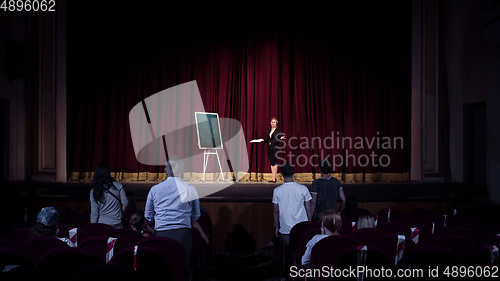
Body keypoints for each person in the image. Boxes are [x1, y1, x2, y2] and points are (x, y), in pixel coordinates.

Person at [145, 155, 201, 268]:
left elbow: (148, 216)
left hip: (161, 235)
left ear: (165, 170)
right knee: (181, 268)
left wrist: (158, 225)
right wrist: (188, 225)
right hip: (183, 234)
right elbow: (196, 215)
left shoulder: (154, 190)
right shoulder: (190, 190)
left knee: (163, 269)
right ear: (182, 171)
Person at [273, 162, 313, 246]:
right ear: (294, 172)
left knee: (288, 251)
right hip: (302, 228)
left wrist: (277, 227)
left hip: (285, 229)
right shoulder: (303, 189)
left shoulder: (277, 190)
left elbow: (276, 211)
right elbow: (308, 209)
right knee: (302, 250)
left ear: (281, 174)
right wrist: (309, 222)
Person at [90, 163, 128, 228]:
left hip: (102, 225)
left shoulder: (94, 191)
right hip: (117, 223)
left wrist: (93, 226)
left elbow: (94, 212)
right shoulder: (117, 185)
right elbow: (125, 204)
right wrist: (120, 214)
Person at [310, 159, 346, 223]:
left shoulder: (316, 183)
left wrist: (311, 216)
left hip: (321, 214)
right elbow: (343, 199)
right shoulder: (337, 182)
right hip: (334, 213)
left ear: (319, 169)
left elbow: (313, 202)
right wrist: (339, 211)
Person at [256, 117, 286, 183]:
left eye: (274, 122)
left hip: (275, 149)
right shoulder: (268, 131)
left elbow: (279, 139)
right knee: (272, 163)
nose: (273, 123)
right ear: (270, 123)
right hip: (269, 149)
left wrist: (281, 138)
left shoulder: (278, 131)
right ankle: (273, 177)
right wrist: (262, 140)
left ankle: (274, 178)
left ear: (276, 123)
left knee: (274, 163)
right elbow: (267, 140)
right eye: (272, 122)